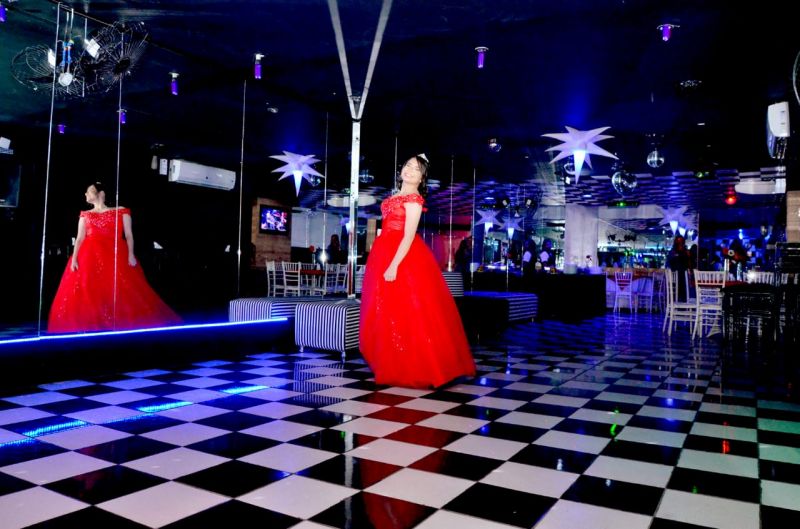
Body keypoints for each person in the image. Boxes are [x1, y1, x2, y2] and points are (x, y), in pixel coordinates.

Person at [359, 154, 476, 388]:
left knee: (411, 310)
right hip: (383, 252)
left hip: (403, 256)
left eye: (416, 169)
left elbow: (408, 236)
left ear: (422, 178)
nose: (410, 170)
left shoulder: (414, 200)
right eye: (408, 165)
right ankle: (393, 361)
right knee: (386, 308)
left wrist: (394, 264)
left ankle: (421, 365)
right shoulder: (393, 198)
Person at [48, 182, 181, 333]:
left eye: (89, 191)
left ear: (101, 193)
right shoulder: (85, 214)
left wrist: (130, 254)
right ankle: (92, 325)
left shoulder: (121, 211)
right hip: (88, 255)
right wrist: (74, 259)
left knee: (123, 288)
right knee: (88, 290)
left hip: (115, 253)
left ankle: (117, 324)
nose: (86, 194)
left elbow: (129, 235)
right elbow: (79, 238)